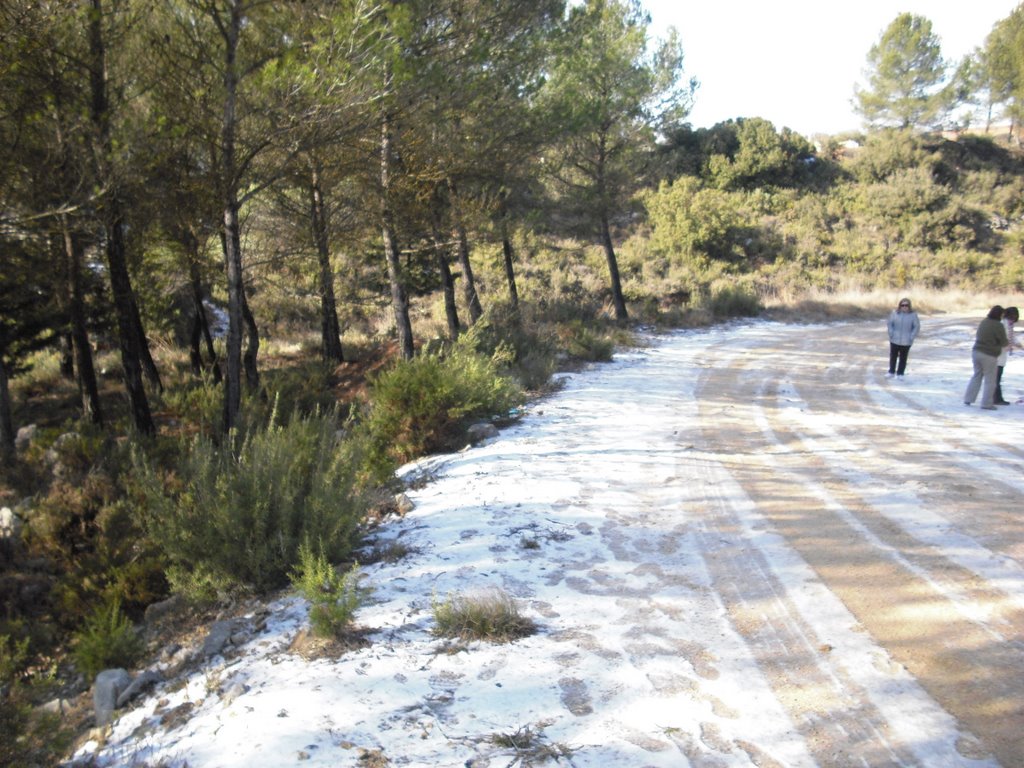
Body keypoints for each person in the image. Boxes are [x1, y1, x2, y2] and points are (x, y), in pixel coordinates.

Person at [964, 306, 1010, 410]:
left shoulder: (984, 322)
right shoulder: (998, 325)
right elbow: (1004, 342)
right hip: (989, 354)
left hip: (976, 351)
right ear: (1000, 315)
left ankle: (968, 398)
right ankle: (986, 403)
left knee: (977, 376)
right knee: (990, 380)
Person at [994, 306, 1022, 405]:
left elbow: (1012, 338)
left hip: (1002, 354)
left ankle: (997, 398)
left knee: (998, 376)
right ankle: (996, 398)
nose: (1013, 319)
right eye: (1012, 317)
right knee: (996, 376)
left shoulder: (1009, 325)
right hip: (997, 354)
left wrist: (1020, 346)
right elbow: (1002, 338)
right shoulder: (1002, 324)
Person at [886, 297, 920, 377]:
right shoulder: (894, 313)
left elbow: (916, 326)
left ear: (909, 306)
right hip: (894, 339)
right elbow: (890, 323)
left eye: (906, 305)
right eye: (902, 305)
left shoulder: (913, 315)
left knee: (903, 358)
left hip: (906, 341)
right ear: (900, 306)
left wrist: (911, 336)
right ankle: (891, 371)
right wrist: (891, 333)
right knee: (893, 356)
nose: (904, 307)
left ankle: (900, 373)